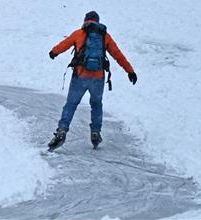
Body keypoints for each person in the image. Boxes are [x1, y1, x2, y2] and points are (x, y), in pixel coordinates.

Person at [47, 10, 137, 150]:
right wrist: (130, 71)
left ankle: (62, 130)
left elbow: (64, 44)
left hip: (80, 76)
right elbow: (118, 54)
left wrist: (54, 52)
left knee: (71, 104)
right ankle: (95, 132)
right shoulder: (104, 36)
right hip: (98, 78)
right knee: (96, 105)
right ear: (98, 21)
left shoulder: (79, 33)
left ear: (85, 21)